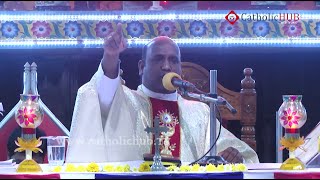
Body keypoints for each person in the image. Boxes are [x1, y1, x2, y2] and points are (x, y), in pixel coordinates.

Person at [66, 23, 259, 164]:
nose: (167, 66)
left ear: (180, 69)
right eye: (159, 59)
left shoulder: (199, 112)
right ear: (142, 67)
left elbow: (244, 155)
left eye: (173, 60)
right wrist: (110, 57)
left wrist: (234, 155)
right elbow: (101, 94)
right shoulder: (125, 101)